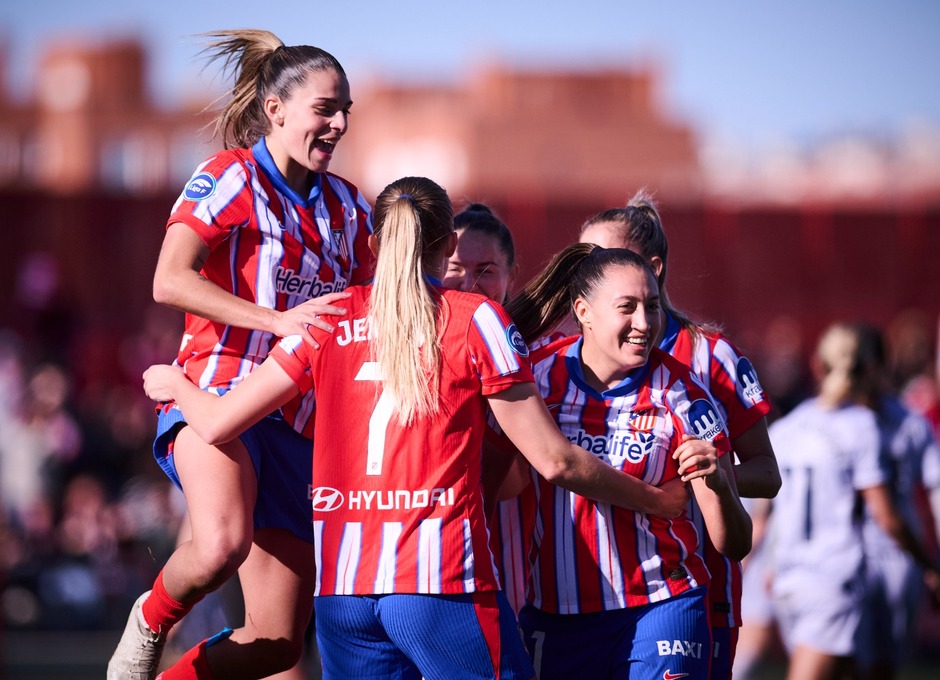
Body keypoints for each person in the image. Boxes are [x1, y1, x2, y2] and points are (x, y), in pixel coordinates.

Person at [140, 176, 694, 680]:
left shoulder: (324, 319)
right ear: (448, 246)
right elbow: (556, 461)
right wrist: (656, 499)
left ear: (376, 245)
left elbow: (214, 424)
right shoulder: (476, 319)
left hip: (346, 596)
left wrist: (177, 385)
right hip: (441, 584)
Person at [107, 29, 374, 680]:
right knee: (220, 544)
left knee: (280, 645)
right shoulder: (229, 177)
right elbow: (169, 280)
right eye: (325, 108)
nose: (338, 123)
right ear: (276, 110)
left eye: (345, 111)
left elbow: (378, 303)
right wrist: (275, 320)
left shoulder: (349, 207)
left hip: (297, 423)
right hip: (213, 394)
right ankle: (149, 619)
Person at [497, 243, 752, 679]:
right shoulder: (536, 380)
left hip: (663, 604)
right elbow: (499, 483)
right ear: (584, 312)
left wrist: (722, 485)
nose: (643, 324)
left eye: (651, 307)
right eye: (627, 308)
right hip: (558, 615)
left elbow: (735, 542)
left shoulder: (685, 395)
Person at [577, 191, 780, 678]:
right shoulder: (564, 360)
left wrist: (702, 475)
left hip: (694, 586)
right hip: (589, 590)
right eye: (581, 259)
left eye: (603, 258)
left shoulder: (710, 358)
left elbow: (766, 474)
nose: (584, 271)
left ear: (652, 267)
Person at [767, 322, 940, 680]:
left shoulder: (788, 427)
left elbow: (764, 510)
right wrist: (930, 564)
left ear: (818, 365)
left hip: (802, 569)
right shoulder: (861, 425)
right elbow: (887, 511)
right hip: (843, 569)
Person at [853, 324, 940, 680]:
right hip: (852, 554)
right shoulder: (826, 423)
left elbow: (935, 486)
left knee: (879, 665)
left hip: (891, 554)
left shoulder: (909, 422)